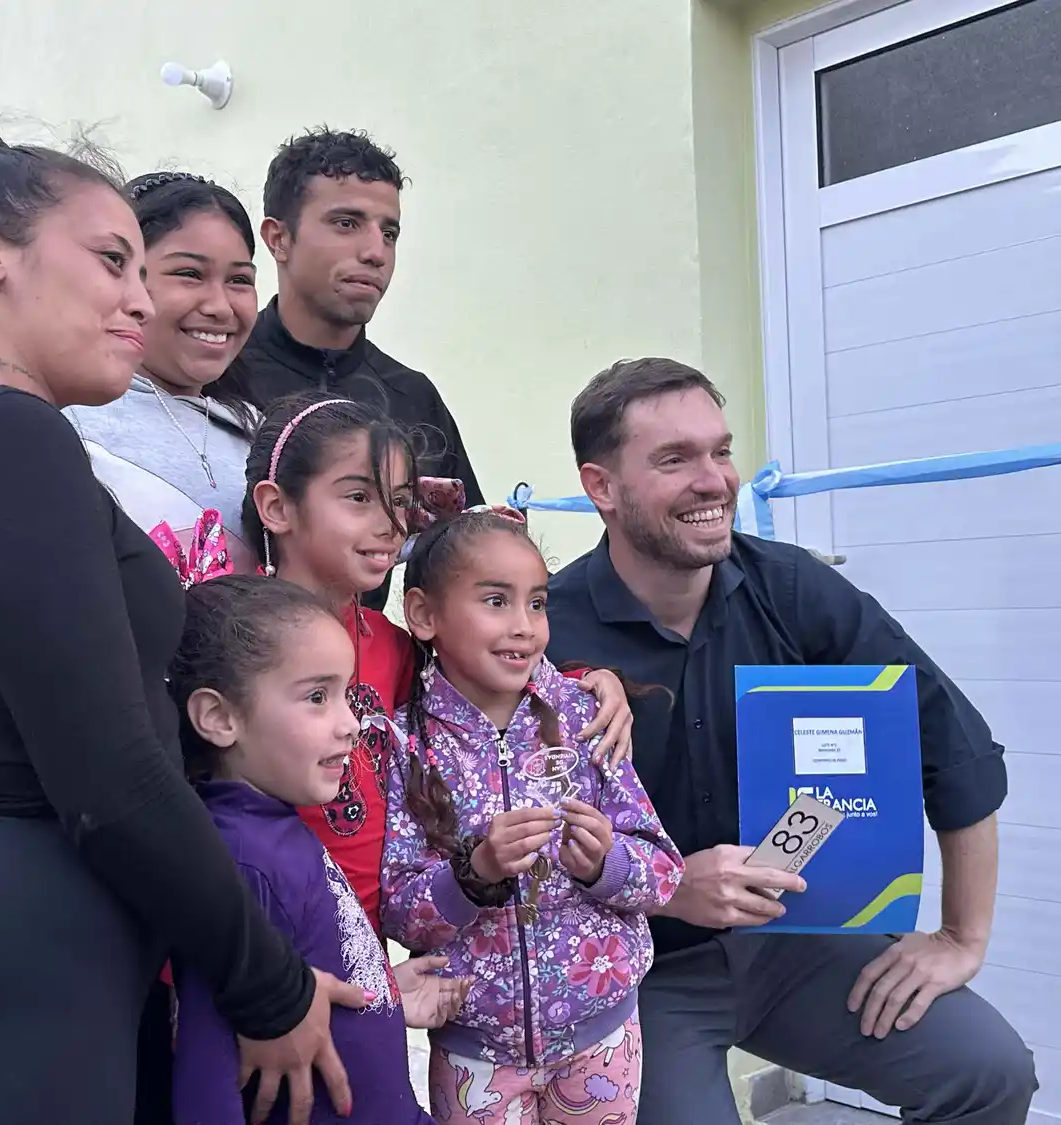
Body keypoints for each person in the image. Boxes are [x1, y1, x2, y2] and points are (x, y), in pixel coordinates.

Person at [0, 117, 360, 1125]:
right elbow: (108, 771)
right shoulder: (1, 434)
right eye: (114, 261)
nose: (139, 301)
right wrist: (267, 982)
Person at [544, 358, 1040, 1125]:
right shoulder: (545, 629)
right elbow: (503, 841)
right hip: (638, 967)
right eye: (675, 459)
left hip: (795, 941)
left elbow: (955, 748)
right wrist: (671, 886)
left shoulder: (797, 592)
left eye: (720, 449)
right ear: (601, 487)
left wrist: (960, 936)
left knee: (988, 1070)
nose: (715, 480)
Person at [241, 393, 636, 935]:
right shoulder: (234, 642)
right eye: (359, 497)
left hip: (365, 954)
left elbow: (483, 681)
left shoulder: (391, 647)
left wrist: (588, 683)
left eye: (399, 502)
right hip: (262, 944)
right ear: (277, 507)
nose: (388, 524)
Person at [379, 508, 684, 1125]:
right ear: (423, 615)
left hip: (604, 1039)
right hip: (475, 1055)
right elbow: (399, 909)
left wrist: (609, 863)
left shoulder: (585, 717)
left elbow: (664, 873)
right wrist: (476, 870)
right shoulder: (404, 743)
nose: (524, 627)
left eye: (537, 603)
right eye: (496, 601)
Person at [169, 575, 461, 1124]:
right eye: (316, 697)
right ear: (219, 717)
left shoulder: (271, 828)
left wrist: (381, 1000)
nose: (351, 724)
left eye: (346, 695)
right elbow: (205, 1080)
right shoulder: (238, 862)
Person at [237, 127, 483, 610]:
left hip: (369, 672)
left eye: (388, 232)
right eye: (347, 223)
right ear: (278, 238)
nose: (375, 252)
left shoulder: (412, 395)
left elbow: (468, 567)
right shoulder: (218, 376)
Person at [64, 171, 263, 574]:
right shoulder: (68, 419)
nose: (221, 307)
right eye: (190, 274)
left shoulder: (262, 434)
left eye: (240, 280)